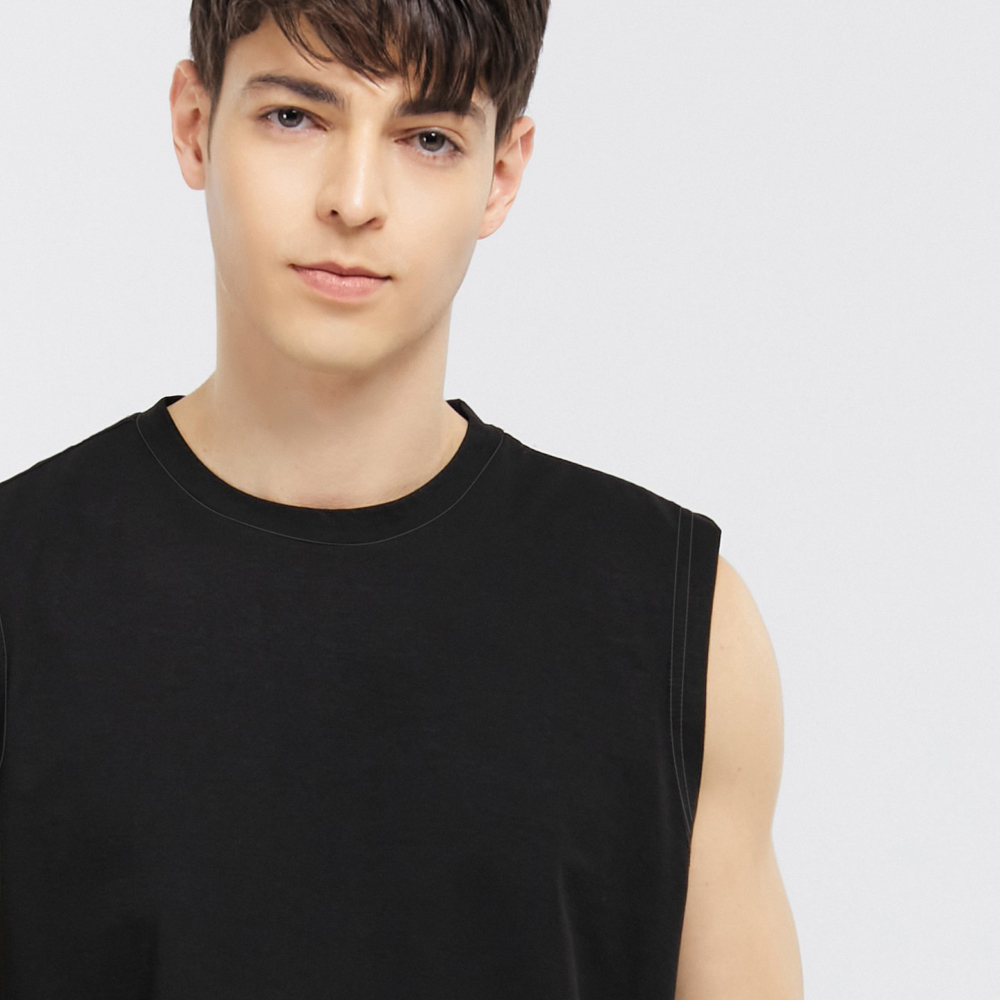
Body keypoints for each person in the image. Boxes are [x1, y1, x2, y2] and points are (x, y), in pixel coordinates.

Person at [0, 2, 803, 996]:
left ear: (500, 173)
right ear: (193, 124)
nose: (353, 198)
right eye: (295, 117)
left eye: (427, 138)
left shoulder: (682, 625)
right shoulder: (21, 591)